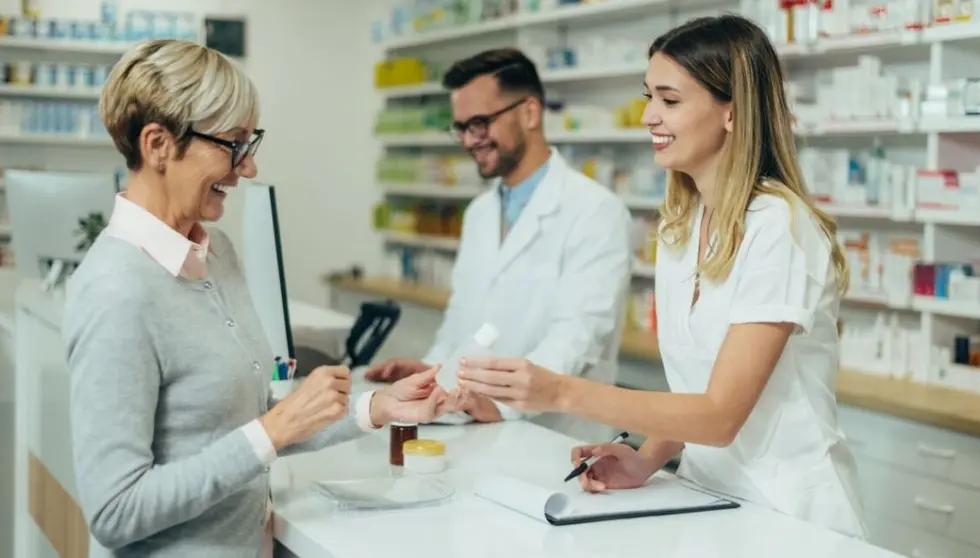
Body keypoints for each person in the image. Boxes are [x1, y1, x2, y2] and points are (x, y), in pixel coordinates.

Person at [455, 15, 868, 540]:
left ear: (732, 114)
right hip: (710, 498)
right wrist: (644, 457)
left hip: (792, 513)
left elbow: (719, 416)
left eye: (670, 100)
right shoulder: (683, 224)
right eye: (649, 96)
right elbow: (695, 392)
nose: (650, 115)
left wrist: (560, 392)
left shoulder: (780, 229)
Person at [63, 39, 446, 558]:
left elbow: (246, 416)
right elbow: (115, 511)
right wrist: (272, 429)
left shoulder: (214, 250)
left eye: (251, 143)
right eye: (233, 144)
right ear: (157, 145)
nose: (248, 168)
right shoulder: (115, 290)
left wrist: (374, 408)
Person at [364, 48, 632, 440]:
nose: (470, 140)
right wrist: (431, 372)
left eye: (480, 122)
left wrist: (501, 404)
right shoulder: (479, 213)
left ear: (529, 112)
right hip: (476, 431)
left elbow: (576, 338)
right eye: (461, 127)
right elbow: (462, 322)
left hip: (557, 439)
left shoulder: (595, 211)